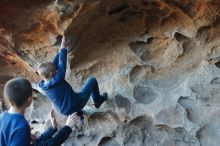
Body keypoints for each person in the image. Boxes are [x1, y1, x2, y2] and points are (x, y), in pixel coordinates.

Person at [37, 36, 108, 119]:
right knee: (92, 80)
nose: (57, 71)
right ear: (51, 74)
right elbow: (61, 65)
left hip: (64, 110)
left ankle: (79, 114)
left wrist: (60, 51)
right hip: (75, 104)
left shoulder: (43, 85)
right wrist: (63, 47)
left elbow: (54, 65)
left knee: (70, 100)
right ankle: (98, 101)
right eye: (56, 71)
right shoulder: (58, 79)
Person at [0, 78, 79, 146]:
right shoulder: (21, 125)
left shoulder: (2, 117)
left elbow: (36, 144)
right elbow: (49, 144)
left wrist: (52, 128)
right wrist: (67, 127)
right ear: (29, 99)